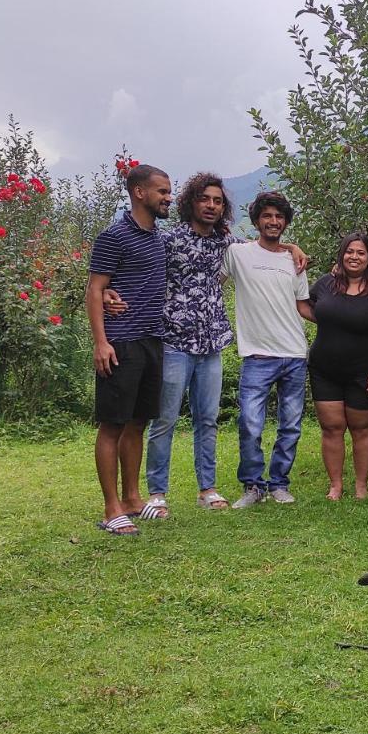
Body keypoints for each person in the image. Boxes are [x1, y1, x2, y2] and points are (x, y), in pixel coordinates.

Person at [104, 175, 307, 518]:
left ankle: (207, 489)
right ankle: (157, 492)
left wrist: (293, 247)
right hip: (173, 341)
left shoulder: (226, 243)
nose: (211, 205)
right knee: (165, 420)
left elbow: (266, 244)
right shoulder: (167, 240)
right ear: (191, 203)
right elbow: (134, 266)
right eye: (204, 199)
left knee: (207, 420)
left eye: (217, 200)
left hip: (212, 342)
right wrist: (108, 291)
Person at [85, 163, 172, 535]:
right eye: (163, 192)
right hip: (120, 342)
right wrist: (101, 343)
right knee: (113, 424)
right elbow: (93, 289)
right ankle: (111, 509)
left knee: (138, 422)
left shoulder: (158, 238)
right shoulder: (114, 236)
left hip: (153, 341)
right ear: (140, 193)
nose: (169, 198)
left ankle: (133, 499)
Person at [222, 191, 313, 507]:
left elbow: (304, 306)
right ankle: (252, 487)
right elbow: (211, 281)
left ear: (285, 222)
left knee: (290, 426)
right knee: (250, 424)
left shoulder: (294, 261)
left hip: (294, 355)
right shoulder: (238, 254)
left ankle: (279, 484)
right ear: (257, 220)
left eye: (279, 217)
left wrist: (344, 318)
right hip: (257, 356)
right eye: (267, 216)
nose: (273, 222)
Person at [307, 233, 368, 501]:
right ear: (341, 255)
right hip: (324, 369)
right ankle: (335, 485)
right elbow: (304, 305)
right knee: (331, 428)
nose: (354, 257)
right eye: (349, 252)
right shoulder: (324, 284)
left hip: (363, 372)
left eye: (361, 253)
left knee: (362, 428)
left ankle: (361, 486)